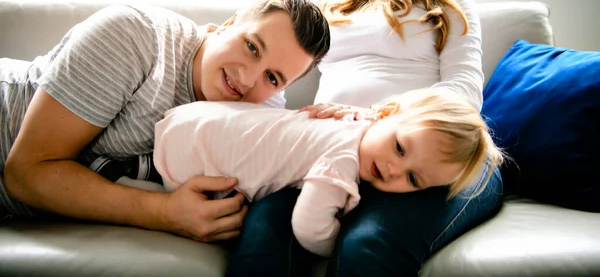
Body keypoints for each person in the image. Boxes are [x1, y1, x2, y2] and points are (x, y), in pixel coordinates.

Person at [226, 0, 503, 276]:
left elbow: (463, 92)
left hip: (438, 157)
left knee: (367, 245)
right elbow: (275, 73)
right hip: (336, 151)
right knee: (263, 231)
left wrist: (375, 118)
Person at [0, 0, 330, 244]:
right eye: (252, 47)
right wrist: (163, 213)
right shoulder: (133, 35)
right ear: (229, 24)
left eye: (272, 78)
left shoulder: (262, 109)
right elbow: (25, 173)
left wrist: (335, 122)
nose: (247, 79)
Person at [144, 85, 502, 258]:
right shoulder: (343, 161)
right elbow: (308, 226)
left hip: (192, 118)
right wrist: (333, 239)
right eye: (400, 148)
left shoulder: (356, 119)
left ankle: (138, 166)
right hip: (189, 158)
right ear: (385, 113)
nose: (393, 169)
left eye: (412, 179)